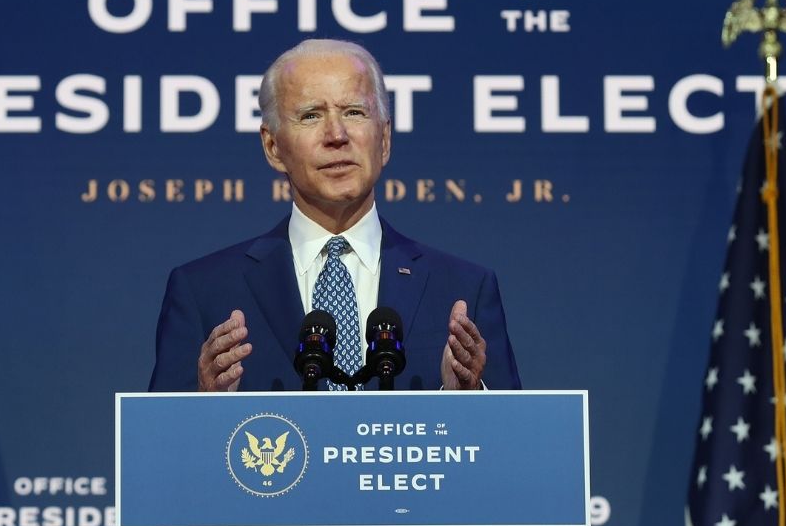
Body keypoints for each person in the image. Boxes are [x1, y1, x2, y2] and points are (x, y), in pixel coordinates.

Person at [148, 39, 520, 392]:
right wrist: (201, 404)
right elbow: (158, 448)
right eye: (311, 115)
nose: (337, 135)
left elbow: (516, 445)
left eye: (354, 112)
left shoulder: (463, 290)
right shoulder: (203, 292)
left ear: (385, 140)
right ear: (273, 146)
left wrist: (471, 400)